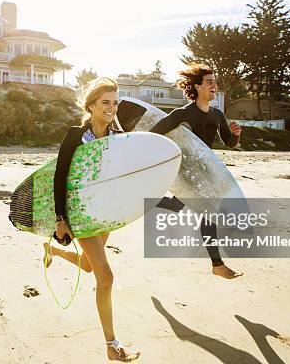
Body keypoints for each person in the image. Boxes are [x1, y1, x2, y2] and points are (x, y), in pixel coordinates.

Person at [44, 77, 140, 362]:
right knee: (106, 277)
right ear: (91, 106)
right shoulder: (76, 135)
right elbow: (60, 177)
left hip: (105, 212)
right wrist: (61, 218)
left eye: (115, 103)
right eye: (105, 102)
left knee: (88, 266)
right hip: (80, 212)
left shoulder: (116, 137)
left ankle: (51, 251)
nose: (112, 107)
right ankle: (112, 345)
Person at [150, 62, 243, 280]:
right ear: (197, 86)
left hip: (204, 170)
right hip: (184, 170)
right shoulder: (182, 114)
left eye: (215, 82)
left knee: (176, 205)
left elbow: (229, 142)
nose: (214, 85)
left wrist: (236, 133)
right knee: (207, 211)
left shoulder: (217, 115)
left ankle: (146, 200)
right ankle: (217, 264)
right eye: (209, 82)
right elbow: (154, 135)